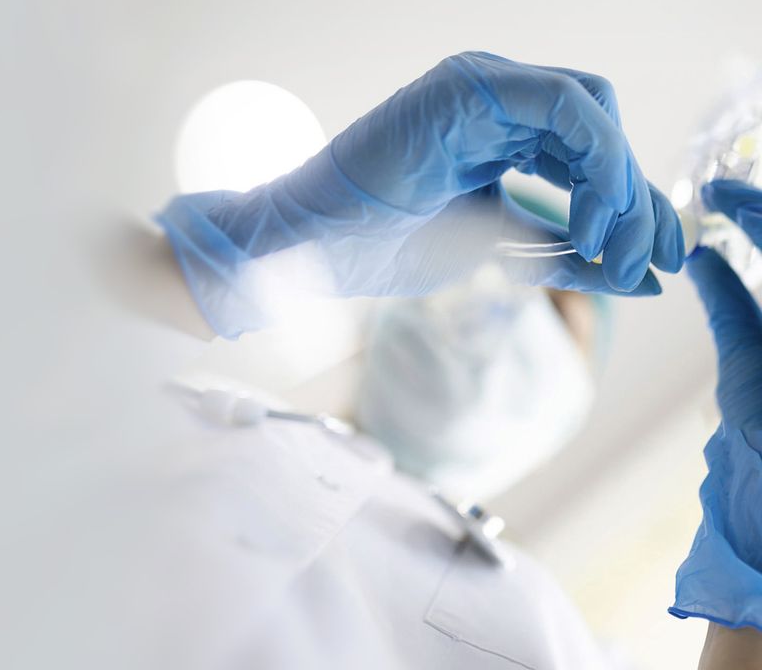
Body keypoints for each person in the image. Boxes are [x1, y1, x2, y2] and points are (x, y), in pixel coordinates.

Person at [136, 52, 762, 668]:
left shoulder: (564, 645)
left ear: (570, 407)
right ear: (382, 303)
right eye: (485, 267)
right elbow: (42, 386)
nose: (495, 300)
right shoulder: (175, 416)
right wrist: (244, 252)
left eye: (551, 306)